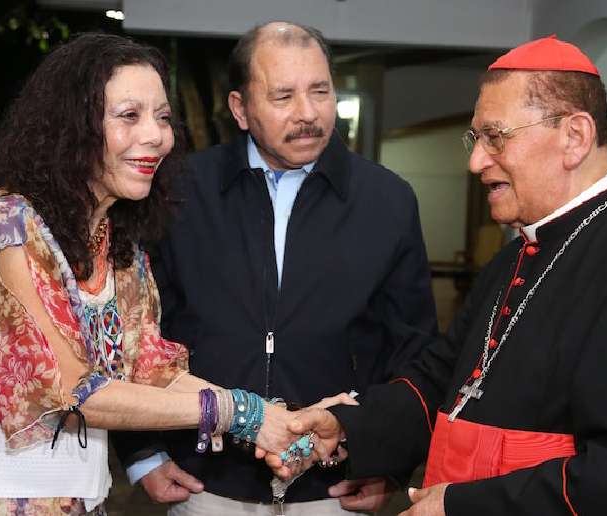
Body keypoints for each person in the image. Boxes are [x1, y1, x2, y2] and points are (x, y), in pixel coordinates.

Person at [275, 35, 607, 515]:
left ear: (575, 136)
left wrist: (463, 506)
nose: (475, 160)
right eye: (476, 138)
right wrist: (347, 427)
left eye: (495, 136)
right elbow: (439, 383)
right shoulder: (515, 258)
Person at [0, 33, 304, 516]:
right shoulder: (7, 223)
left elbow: (152, 373)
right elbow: (69, 392)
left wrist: (273, 418)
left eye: (162, 117)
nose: (156, 135)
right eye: (129, 116)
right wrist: (241, 413)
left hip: (78, 500)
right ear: (71, 127)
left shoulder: (120, 247)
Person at [111, 21, 439, 515]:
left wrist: (387, 461)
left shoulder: (387, 200)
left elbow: (413, 349)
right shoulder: (178, 191)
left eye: (320, 92)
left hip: (332, 490)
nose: (308, 114)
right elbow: (135, 332)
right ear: (241, 109)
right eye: (283, 96)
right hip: (202, 485)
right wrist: (141, 456)